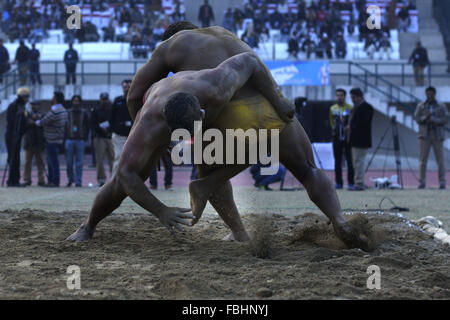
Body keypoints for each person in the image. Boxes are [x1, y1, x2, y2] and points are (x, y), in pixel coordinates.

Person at [68, 23, 369, 251]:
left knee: (199, 164)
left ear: (171, 38)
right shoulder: (219, 54)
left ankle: (90, 225)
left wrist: (150, 143)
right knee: (306, 168)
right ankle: (339, 220)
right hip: (260, 99)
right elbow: (251, 61)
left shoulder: (172, 55)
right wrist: (278, 100)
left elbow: (134, 94)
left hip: (215, 109)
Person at [414, 87, 449, 189]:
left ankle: (442, 182)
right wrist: (425, 118)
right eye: (427, 94)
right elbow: (417, 118)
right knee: (422, 160)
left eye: (431, 94)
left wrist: (434, 120)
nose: (429, 96)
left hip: (437, 135)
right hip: (424, 136)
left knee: (440, 160)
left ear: (434, 94)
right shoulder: (421, 106)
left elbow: (446, 119)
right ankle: (422, 182)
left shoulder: (440, 106)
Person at [36, 91, 68, 187]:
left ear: (55, 98)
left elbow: (43, 122)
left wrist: (35, 121)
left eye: (53, 96)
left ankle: (54, 181)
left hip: (52, 140)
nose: (51, 98)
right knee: (52, 162)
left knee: (52, 162)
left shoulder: (55, 111)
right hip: (58, 139)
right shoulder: (63, 110)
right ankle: (52, 181)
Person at [347, 88, 374, 191]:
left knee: (359, 162)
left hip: (361, 140)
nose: (352, 99)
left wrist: (351, 126)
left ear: (359, 96)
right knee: (357, 162)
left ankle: (359, 183)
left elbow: (363, 123)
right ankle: (358, 182)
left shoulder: (367, 107)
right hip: (356, 139)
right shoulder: (356, 107)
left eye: (353, 97)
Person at [330, 89, 354, 190]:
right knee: (337, 161)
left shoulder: (350, 107)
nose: (339, 97)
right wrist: (335, 130)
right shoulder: (332, 108)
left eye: (341, 95)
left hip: (347, 138)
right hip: (336, 138)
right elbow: (331, 122)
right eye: (337, 95)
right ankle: (339, 182)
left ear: (345, 96)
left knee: (350, 161)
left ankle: (351, 183)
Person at [5, 87, 30, 187]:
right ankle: (12, 181)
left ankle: (15, 180)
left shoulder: (22, 106)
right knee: (12, 158)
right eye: (26, 97)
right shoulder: (13, 106)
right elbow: (11, 121)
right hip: (12, 135)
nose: (27, 99)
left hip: (18, 135)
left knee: (16, 158)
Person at [91, 92, 115, 187]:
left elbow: (114, 122)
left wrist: (109, 129)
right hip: (99, 137)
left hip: (109, 137)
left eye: (106, 99)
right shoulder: (95, 110)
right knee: (99, 160)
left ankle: (114, 178)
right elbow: (92, 124)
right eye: (103, 99)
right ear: (100, 99)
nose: (104, 100)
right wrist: (100, 129)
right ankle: (101, 180)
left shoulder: (112, 110)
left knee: (113, 159)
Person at [65, 95, 89, 187]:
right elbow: (64, 126)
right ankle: (70, 179)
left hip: (80, 140)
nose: (76, 103)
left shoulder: (84, 113)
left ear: (80, 102)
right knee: (69, 162)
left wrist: (85, 138)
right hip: (69, 140)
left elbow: (87, 126)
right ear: (72, 102)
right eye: (74, 101)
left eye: (77, 101)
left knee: (79, 163)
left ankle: (78, 181)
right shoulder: (68, 112)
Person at [110, 79, 133, 175]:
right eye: (124, 87)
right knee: (118, 157)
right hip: (119, 135)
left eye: (128, 87)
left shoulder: (136, 100)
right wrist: (113, 129)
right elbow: (112, 116)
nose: (126, 89)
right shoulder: (117, 100)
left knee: (133, 159)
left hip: (132, 135)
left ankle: (132, 182)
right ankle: (114, 181)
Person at [23, 100, 46, 186]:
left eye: (36, 105)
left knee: (40, 162)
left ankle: (41, 180)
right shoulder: (26, 115)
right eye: (32, 105)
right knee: (27, 162)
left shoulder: (43, 116)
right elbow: (25, 124)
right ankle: (27, 179)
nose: (34, 107)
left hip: (40, 142)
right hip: (29, 142)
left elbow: (43, 125)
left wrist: (36, 121)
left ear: (39, 106)